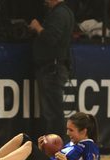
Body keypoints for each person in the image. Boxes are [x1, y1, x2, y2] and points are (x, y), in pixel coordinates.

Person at [28, 0, 75, 140]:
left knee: (53, 112)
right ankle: (56, 144)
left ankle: (57, 145)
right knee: (53, 110)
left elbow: (51, 38)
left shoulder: (59, 13)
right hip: (53, 68)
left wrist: (37, 27)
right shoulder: (64, 12)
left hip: (52, 69)